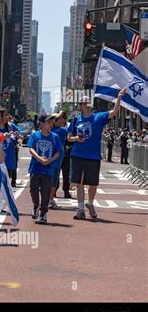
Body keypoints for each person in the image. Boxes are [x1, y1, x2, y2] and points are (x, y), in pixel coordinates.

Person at [67, 91, 124, 220]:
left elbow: (114, 112)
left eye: (88, 102)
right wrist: (76, 138)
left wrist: (119, 98)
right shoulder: (76, 120)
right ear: (80, 105)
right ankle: (80, 209)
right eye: (84, 102)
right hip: (78, 154)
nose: (87, 104)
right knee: (79, 182)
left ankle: (90, 203)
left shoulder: (98, 117)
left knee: (93, 183)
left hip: (93, 156)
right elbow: (69, 137)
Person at [27, 114, 62, 224]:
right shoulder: (35, 135)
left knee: (46, 192)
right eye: (48, 122)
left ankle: (43, 213)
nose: (50, 124)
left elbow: (58, 151)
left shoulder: (54, 137)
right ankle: (36, 206)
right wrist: (39, 158)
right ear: (41, 123)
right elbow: (31, 148)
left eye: (51, 122)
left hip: (48, 169)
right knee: (33, 189)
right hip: (35, 168)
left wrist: (50, 160)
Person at [0, 107, 20, 187]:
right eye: (5, 115)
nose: (7, 117)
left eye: (7, 114)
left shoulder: (11, 126)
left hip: (9, 158)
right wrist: (2, 137)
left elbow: (20, 136)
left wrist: (17, 135)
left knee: (6, 182)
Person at [49, 111, 69, 209]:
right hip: (56, 160)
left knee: (48, 180)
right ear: (54, 121)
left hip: (50, 159)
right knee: (53, 182)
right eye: (60, 118)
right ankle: (49, 200)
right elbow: (71, 132)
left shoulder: (49, 131)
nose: (63, 120)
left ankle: (49, 199)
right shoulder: (60, 131)